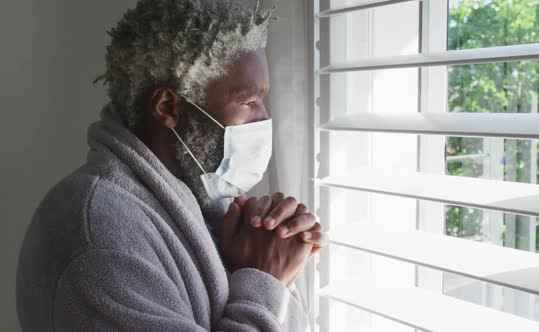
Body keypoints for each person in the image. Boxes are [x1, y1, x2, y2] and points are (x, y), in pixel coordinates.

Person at [16, 0, 328, 330]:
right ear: (168, 107)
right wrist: (266, 279)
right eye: (249, 101)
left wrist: (271, 254)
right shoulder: (97, 239)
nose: (265, 118)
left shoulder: (205, 199)